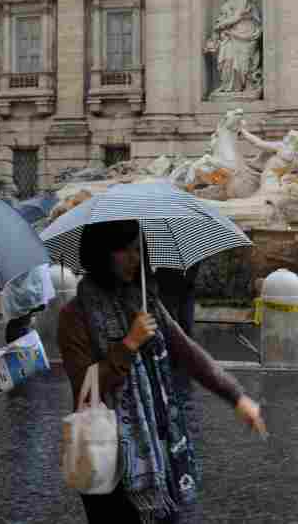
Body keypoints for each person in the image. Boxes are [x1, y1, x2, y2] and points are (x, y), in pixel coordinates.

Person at [58, 220, 266, 523]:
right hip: (105, 453)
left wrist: (236, 396)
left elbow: (189, 353)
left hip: (157, 445)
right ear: (101, 253)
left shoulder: (145, 302)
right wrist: (129, 344)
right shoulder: (74, 316)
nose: (134, 259)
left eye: (137, 250)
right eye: (124, 250)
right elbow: (85, 388)